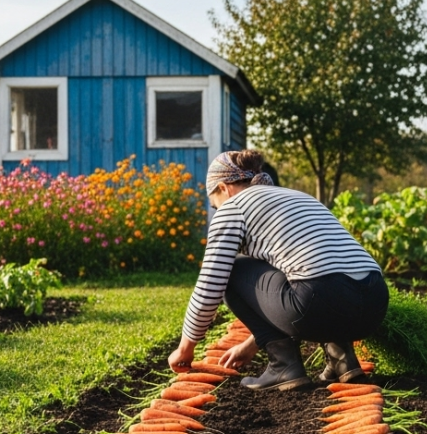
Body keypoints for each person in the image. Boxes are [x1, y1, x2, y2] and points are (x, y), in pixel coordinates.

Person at [166, 150, 388, 390]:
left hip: (320, 303)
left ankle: (284, 366)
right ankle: (343, 360)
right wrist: (253, 343)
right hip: (374, 304)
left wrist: (185, 348)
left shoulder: (233, 207)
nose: (216, 211)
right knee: (311, 269)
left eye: (214, 204)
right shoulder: (299, 197)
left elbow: (210, 285)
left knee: (229, 270)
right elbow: (319, 267)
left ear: (223, 187)